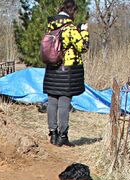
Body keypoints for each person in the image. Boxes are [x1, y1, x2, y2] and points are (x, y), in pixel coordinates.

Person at [43, 0, 89, 147]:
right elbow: (82, 47)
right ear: (72, 11)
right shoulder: (69, 28)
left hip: (52, 68)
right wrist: (84, 32)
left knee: (52, 100)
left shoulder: (51, 27)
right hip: (66, 69)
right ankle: (63, 136)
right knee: (64, 102)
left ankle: (53, 134)